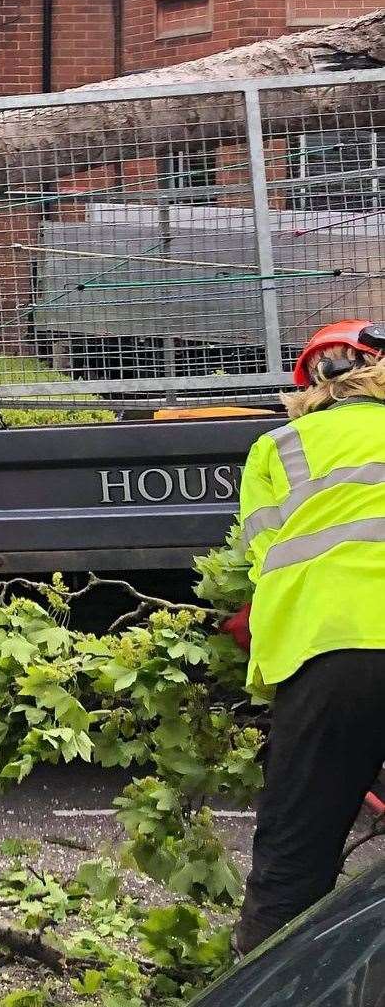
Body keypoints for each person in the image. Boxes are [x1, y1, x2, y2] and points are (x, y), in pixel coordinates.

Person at [233, 318, 385, 956]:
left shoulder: (278, 447)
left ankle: (268, 982)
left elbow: (254, 554)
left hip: (329, 655)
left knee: (295, 855)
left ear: (312, 382)